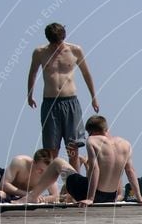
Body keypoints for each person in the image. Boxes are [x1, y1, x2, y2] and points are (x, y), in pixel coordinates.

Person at [18, 115, 142, 206]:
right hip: (111, 197)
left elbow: (95, 169)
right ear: (106, 129)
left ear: (91, 132)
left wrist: (90, 198)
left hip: (93, 194)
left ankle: (33, 196)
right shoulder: (126, 144)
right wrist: (140, 198)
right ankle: (37, 195)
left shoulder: (92, 141)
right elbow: (130, 171)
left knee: (58, 162)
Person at [27, 23, 99, 160]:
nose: (56, 46)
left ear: (63, 38)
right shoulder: (40, 52)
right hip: (50, 102)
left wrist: (93, 97)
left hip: (70, 101)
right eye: (53, 43)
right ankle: (53, 180)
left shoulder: (75, 50)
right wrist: (30, 95)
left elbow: (86, 73)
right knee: (51, 149)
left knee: (73, 147)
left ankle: (73, 180)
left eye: (58, 42)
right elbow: (32, 73)